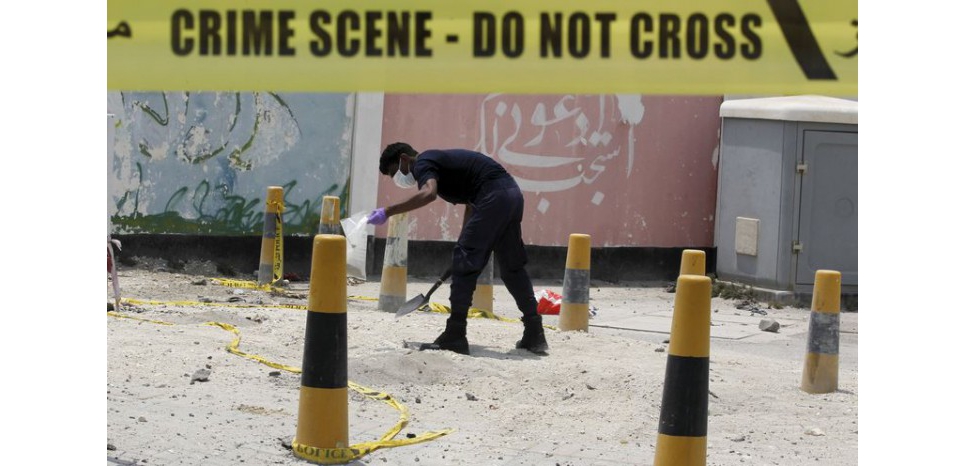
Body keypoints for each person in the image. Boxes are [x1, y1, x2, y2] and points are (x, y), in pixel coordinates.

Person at [368, 142, 549, 355]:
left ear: (405, 159)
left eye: (394, 172)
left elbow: (429, 193)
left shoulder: (422, 162)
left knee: (464, 266)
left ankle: (455, 333)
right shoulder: (439, 160)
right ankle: (534, 333)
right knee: (512, 267)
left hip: (493, 197)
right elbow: (471, 202)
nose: (399, 177)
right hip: (511, 195)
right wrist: (464, 240)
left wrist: (388, 211)